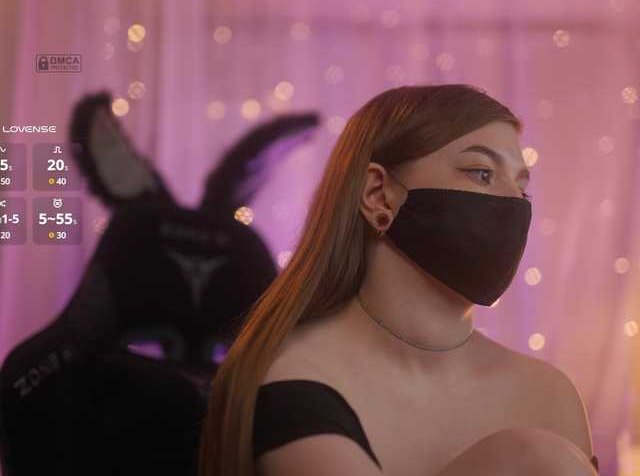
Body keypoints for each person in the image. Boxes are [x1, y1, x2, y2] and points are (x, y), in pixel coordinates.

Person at [197, 84, 599, 476]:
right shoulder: (295, 376)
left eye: (522, 189)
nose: (512, 203)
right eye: (481, 173)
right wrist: (523, 459)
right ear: (378, 194)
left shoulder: (549, 394)